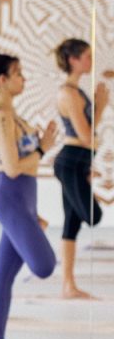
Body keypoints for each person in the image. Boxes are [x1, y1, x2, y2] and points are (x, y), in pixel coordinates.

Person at [0, 54, 57, 339]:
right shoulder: (1, 118)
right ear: (2, 81)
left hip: (22, 200)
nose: (24, 79)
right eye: (18, 74)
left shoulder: (13, 115)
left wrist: (41, 145)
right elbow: (11, 168)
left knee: (4, 275)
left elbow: (24, 162)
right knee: (44, 265)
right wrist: (43, 148)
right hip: (10, 198)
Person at [54, 38, 107, 299]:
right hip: (71, 161)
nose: (90, 61)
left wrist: (98, 106)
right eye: (86, 56)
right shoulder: (68, 93)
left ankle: (68, 285)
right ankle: (67, 284)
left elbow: (88, 133)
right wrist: (101, 107)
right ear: (73, 60)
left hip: (78, 161)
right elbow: (86, 136)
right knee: (93, 216)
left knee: (71, 224)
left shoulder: (76, 91)